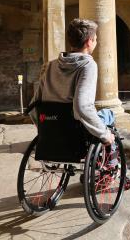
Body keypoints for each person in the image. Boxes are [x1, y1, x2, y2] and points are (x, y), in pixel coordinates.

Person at [33, 18, 116, 147]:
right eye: (95, 39)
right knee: (108, 114)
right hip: (76, 131)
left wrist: (43, 128)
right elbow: (82, 107)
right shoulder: (88, 65)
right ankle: (111, 160)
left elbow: (34, 105)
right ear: (89, 42)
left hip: (52, 128)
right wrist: (105, 135)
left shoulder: (49, 66)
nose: (96, 42)